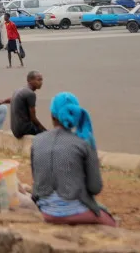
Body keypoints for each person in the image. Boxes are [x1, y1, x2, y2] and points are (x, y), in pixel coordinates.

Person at [31, 92, 116, 227]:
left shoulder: (37, 141)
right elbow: (95, 187)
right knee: (111, 223)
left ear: (52, 115)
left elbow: (38, 178)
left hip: (45, 210)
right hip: (74, 211)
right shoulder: (83, 143)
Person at [11, 71, 46, 138]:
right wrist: (44, 130)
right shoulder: (30, 94)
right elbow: (33, 118)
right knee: (46, 136)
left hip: (14, 129)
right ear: (30, 80)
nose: (41, 82)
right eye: (38, 80)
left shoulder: (19, 90)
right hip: (23, 129)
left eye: (41, 80)